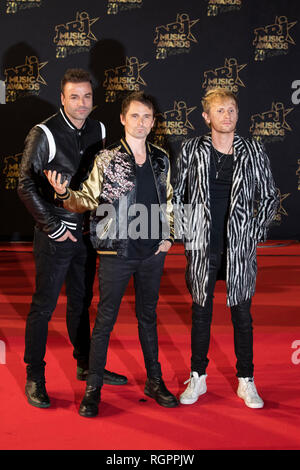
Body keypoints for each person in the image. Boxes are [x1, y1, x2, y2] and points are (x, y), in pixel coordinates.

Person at [45, 91, 179, 417]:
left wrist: (168, 237)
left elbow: (170, 201)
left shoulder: (161, 158)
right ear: (122, 119)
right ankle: (93, 390)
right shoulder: (106, 158)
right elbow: (86, 199)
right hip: (115, 252)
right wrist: (65, 194)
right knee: (104, 322)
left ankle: (155, 381)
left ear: (153, 121)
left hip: (151, 254)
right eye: (135, 116)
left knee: (148, 319)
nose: (141, 122)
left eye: (147, 116)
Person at [18, 68, 127, 409]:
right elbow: (24, 185)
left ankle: (85, 365)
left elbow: (103, 182)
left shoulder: (101, 129)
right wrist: (53, 225)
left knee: (81, 303)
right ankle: (35, 375)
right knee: (43, 307)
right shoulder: (44, 134)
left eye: (87, 96)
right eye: (74, 97)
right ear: (62, 98)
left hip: (87, 231)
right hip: (55, 232)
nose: (81, 103)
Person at [173, 87, 279, 409]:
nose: (227, 116)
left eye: (231, 110)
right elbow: (177, 197)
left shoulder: (254, 151)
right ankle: (198, 376)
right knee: (201, 313)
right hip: (203, 248)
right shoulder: (191, 149)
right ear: (206, 117)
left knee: (242, 315)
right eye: (220, 111)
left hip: (239, 251)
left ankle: (246, 380)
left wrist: (252, 232)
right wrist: (189, 238)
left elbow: (271, 197)